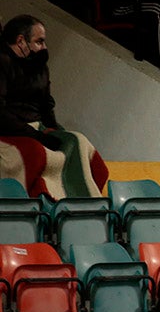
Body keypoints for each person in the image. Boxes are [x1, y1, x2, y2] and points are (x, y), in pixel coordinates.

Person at [0, 14, 108, 198]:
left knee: (77, 140)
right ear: (21, 41)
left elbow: (46, 103)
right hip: (10, 131)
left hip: (37, 129)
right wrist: (37, 136)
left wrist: (53, 129)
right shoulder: (2, 62)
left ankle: (86, 204)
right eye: (39, 41)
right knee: (36, 151)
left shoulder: (40, 66)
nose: (44, 47)